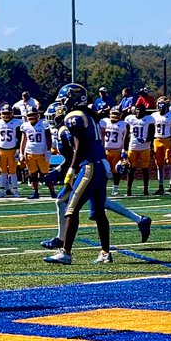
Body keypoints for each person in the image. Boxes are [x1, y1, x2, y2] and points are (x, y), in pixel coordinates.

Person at [44, 84, 113, 266]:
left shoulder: (74, 116)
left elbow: (80, 147)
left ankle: (65, 252)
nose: (63, 102)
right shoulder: (90, 114)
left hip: (88, 166)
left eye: (65, 98)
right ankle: (105, 253)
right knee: (99, 212)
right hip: (101, 165)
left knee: (71, 209)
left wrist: (72, 169)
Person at [18, 108, 53, 200]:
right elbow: (23, 140)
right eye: (29, 115)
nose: (31, 117)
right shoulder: (25, 125)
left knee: (45, 173)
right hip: (29, 152)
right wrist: (21, 153)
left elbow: (48, 137)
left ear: (38, 115)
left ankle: (52, 191)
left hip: (42, 152)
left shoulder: (44, 124)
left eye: (33, 115)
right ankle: (35, 192)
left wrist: (48, 150)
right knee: (32, 174)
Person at [0, 105, 22, 196]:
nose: (6, 115)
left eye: (8, 113)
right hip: (1, 150)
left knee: (13, 171)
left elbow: (19, 138)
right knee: (3, 171)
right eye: (4, 113)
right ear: (0, 114)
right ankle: (2, 191)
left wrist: (17, 151)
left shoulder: (17, 122)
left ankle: (15, 190)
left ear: (12, 113)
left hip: (12, 150)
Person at [123, 104, 153, 196]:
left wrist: (146, 140)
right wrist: (124, 149)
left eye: (140, 109)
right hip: (133, 147)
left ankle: (146, 190)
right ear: (134, 110)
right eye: (137, 109)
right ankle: (128, 190)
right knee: (131, 169)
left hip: (145, 148)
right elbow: (126, 134)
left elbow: (152, 134)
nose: (138, 111)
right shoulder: (130, 119)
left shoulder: (149, 119)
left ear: (144, 111)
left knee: (145, 169)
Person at [148, 99, 171, 194]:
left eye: (162, 108)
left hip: (167, 140)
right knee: (159, 164)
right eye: (159, 108)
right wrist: (151, 144)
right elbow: (151, 131)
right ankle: (161, 186)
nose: (160, 110)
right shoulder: (154, 116)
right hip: (157, 140)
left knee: (170, 162)